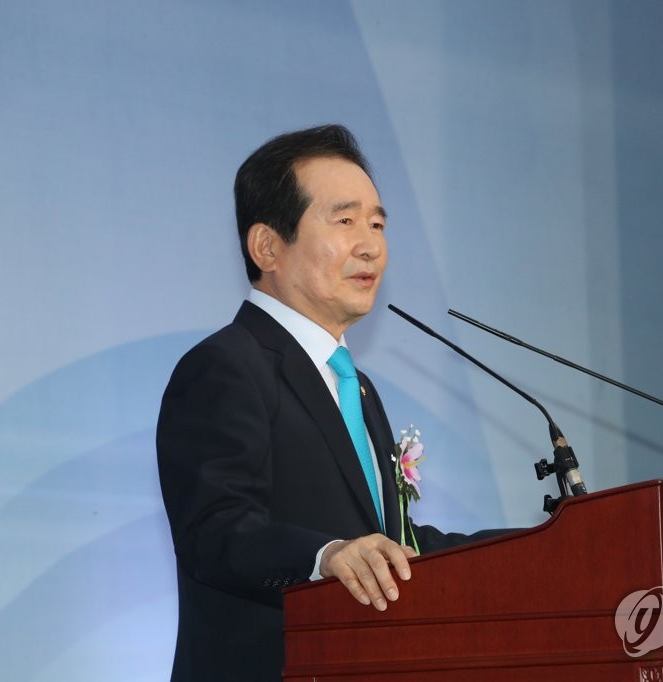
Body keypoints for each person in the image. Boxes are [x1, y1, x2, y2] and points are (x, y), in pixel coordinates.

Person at [156, 125, 496, 681]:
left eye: (377, 224)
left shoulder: (356, 388)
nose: (371, 245)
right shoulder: (224, 367)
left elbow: (392, 547)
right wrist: (325, 556)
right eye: (345, 221)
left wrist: (545, 545)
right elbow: (215, 532)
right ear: (268, 247)